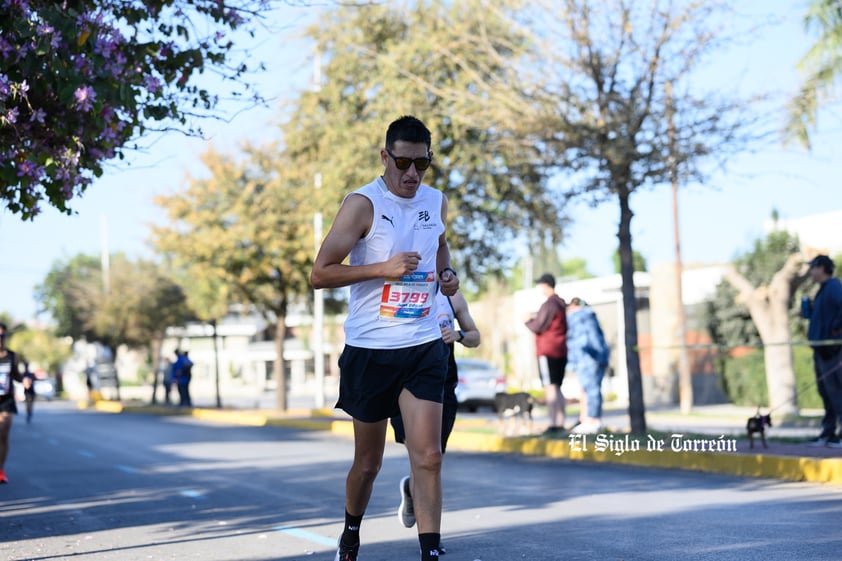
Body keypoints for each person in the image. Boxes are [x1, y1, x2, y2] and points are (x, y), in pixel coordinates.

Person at [310, 115, 459, 561]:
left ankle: (430, 552)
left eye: (421, 164)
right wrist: (383, 267)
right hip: (371, 349)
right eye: (402, 162)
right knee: (368, 464)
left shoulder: (437, 201)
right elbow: (320, 273)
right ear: (385, 157)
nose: (411, 174)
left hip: (422, 343)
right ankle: (350, 533)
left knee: (430, 455)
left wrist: (447, 273)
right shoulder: (362, 205)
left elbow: (440, 244)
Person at [390, 288, 480, 555]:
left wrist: (459, 335)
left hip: (443, 386)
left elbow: (475, 337)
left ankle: (411, 490)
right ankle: (429, 539)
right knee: (421, 458)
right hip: (405, 385)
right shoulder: (404, 291)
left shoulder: (452, 296)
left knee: (432, 458)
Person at [802, 254, 842, 448]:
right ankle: (828, 433)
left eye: (813, 267)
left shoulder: (834, 287)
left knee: (837, 393)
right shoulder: (822, 291)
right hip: (821, 350)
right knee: (826, 394)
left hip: (833, 351)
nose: (811, 271)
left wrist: (836, 327)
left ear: (822, 268)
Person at [524, 273, 568, 434]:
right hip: (561, 349)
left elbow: (538, 326)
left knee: (550, 387)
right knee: (557, 386)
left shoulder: (549, 304)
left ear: (545, 285)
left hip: (547, 350)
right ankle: (560, 422)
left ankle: (554, 424)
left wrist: (528, 320)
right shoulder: (561, 303)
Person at [566, 297, 610, 434]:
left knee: (591, 390)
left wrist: (596, 354)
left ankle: (592, 421)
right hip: (590, 358)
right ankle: (587, 419)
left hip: (587, 359)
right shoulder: (589, 316)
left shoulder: (581, 317)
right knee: (587, 390)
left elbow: (590, 340)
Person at [0, 322, 23, 483]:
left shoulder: (12, 356)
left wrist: (26, 379)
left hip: (6, 400)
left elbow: (17, 376)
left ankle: (0, 470)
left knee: (2, 435)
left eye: (2, 336)